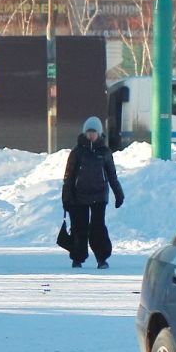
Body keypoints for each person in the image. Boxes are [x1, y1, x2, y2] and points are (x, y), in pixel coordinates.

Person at [62, 114, 125, 270]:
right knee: (79, 227)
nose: (91, 135)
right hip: (79, 196)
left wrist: (118, 193)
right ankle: (77, 258)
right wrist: (66, 197)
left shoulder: (104, 152)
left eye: (93, 132)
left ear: (99, 133)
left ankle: (101, 258)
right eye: (88, 132)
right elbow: (69, 176)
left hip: (99, 195)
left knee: (98, 228)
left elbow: (111, 174)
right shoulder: (77, 152)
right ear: (85, 133)